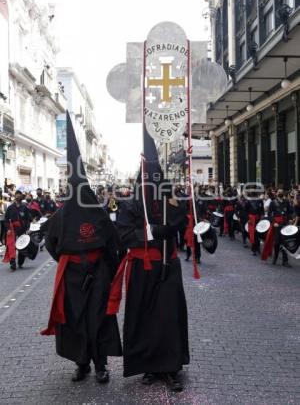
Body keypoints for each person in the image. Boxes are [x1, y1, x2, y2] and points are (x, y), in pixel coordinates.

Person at [41, 111, 122, 383]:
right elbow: (51, 243)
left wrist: (106, 270)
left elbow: (113, 243)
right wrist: (69, 261)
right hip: (74, 276)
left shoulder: (97, 213)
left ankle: (100, 364)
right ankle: (82, 363)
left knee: (98, 319)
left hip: (97, 273)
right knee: (74, 319)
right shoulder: (61, 217)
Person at [107, 128, 189, 392]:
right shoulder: (130, 206)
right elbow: (124, 234)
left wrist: (174, 211)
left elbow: (180, 218)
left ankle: (171, 366)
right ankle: (149, 365)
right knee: (144, 317)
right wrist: (154, 231)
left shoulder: (170, 201)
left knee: (168, 316)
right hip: (142, 268)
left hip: (167, 265)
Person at [261, 189, 293, 266]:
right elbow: (269, 214)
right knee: (277, 243)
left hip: (285, 224)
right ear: (276, 194)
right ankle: (275, 258)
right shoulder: (273, 203)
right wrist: (274, 222)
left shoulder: (286, 202)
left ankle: (285, 261)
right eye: (279, 192)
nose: (280, 193)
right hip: (276, 225)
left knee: (285, 243)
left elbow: (290, 212)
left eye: (282, 192)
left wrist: (289, 218)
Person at [3, 190, 31, 270]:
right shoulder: (10, 208)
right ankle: (12, 263)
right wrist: (8, 228)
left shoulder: (24, 207)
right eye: (17, 195)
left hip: (22, 229)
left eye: (20, 195)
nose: (18, 196)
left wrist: (28, 228)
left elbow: (28, 219)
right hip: (12, 229)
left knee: (21, 246)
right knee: (12, 246)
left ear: (21, 197)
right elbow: (6, 220)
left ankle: (20, 262)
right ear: (15, 196)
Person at [244, 190, 264, 256]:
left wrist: (262, 218)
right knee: (253, 234)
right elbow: (245, 211)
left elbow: (262, 210)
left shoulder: (260, 200)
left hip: (258, 218)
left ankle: (257, 248)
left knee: (258, 234)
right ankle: (254, 249)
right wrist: (248, 219)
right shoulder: (248, 201)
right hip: (251, 219)